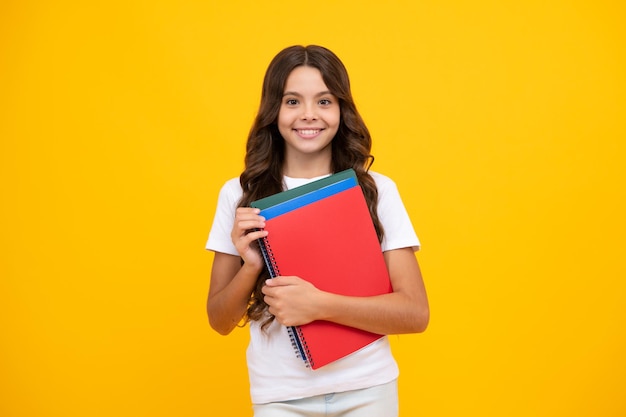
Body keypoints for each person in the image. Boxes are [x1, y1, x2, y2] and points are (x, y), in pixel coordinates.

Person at [206, 45, 429, 417]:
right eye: (292, 101)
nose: (308, 115)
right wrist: (249, 266)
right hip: (280, 396)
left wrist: (318, 305)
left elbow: (414, 313)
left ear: (342, 110)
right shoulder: (239, 195)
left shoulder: (375, 190)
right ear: (272, 109)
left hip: (368, 390)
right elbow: (219, 321)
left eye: (324, 101)